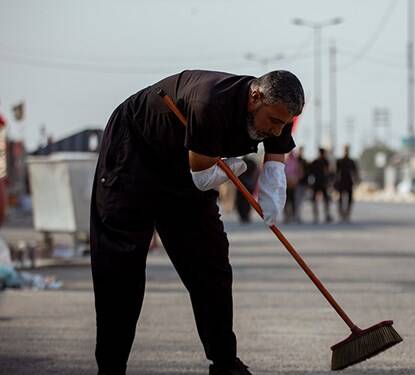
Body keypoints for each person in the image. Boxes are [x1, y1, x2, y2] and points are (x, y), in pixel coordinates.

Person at [90, 70, 304, 375]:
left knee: (210, 262)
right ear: (255, 98)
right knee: (120, 270)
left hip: (186, 169)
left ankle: (225, 362)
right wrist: (235, 166)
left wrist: (273, 190)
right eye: (274, 121)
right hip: (135, 155)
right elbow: (203, 174)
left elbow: (276, 157)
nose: (277, 129)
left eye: (284, 124)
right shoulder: (210, 101)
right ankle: (110, 368)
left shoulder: (276, 112)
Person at [307, 147, 333, 223]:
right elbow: (328, 172)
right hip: (320, 183)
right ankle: (318, 215)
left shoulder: (318, 161)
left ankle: (323, 215)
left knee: (324, 200)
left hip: (320, 183)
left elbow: (310, 172)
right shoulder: (324, 161)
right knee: (319, 200)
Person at [334, 145, 359, 222]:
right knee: (340, 199)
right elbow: (336, 173)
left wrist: (356, 181)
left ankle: (347, 214)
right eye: (345, 149)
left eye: (347, 150)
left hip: (349, 182)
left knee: (350, 199)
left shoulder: (351, 161)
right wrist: (335, 183)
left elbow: (355, 173)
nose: (346, 151)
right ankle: (341, 214)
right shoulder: (339, 161)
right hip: (341, 182)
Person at [234, 156, 260, 224]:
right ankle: (245, 216)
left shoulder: (240, 163)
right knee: (247, 202)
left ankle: (243, 216)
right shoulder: (252, 162)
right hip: (248, 185)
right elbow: (256, 172)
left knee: (241, 202)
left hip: (241, 184)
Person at [283, 149, 303, 223]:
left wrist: (296, 179)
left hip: (294, 184)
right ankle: (287, 217)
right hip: (287, 184)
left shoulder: (296, 162)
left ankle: (293, 216)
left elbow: (300, 173)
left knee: (293, 201)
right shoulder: (286, 162)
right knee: (286, 201)